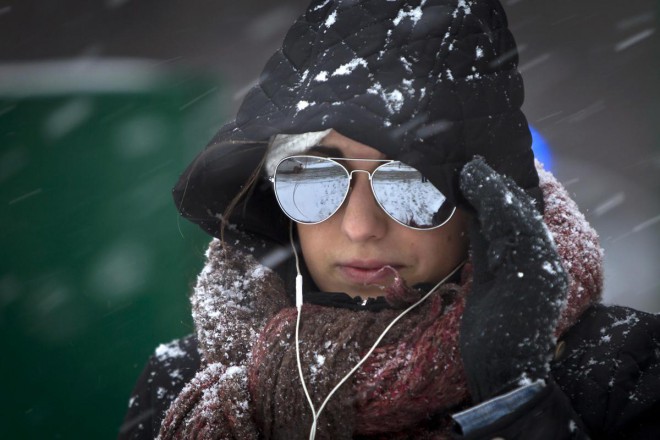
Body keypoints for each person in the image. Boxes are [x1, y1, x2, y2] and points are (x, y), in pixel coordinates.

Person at [118, 0, 660, 438]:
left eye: (410, 183)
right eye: (313, 178)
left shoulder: (622, 370)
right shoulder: (182, 380)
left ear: (485, 205)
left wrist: (515, 399)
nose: (360, 227)